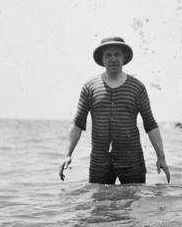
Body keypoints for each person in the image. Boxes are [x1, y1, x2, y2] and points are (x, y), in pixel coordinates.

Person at [59, 37, 170, 184]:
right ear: (102, 59)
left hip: (132, 162)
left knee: (134, 205)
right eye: (108, 55)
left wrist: (161, 157)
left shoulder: (137, 87)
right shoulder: (90, 87)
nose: (113, 59)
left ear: (124, 58)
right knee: (100, 204)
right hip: (100, 163)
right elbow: (78, 124)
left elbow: (150, 124)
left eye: (117, 54)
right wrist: (67, 154)